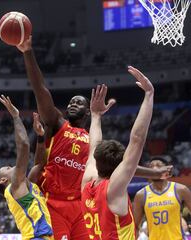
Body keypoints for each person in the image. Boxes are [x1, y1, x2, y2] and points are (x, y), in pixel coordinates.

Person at [17, 37, 172, 240]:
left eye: (79, 103)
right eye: (71, 101)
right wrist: (28, 52)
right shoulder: (56, 123)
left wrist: (152, 172)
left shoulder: (93, 143)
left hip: (82, 202)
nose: (73, 104)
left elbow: (121, 166)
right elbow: (41, 91)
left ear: (88, 112)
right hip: (53, 202)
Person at [81, 66, 170, 239]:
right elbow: (137, 139)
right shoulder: (114, 188)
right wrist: (149, 94)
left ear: (97, 160)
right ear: (119, 166)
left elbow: (94, 146)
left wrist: (96, 115)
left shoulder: (87, 180)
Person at [0, 95, 53, 240]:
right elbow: (24, 145)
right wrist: (15, 116)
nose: (12, 165)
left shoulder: (27, 185)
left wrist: (40, 137)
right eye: (7, 168)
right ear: (3, 180)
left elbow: (39, 164)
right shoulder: (14, 186)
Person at [133, 157, 191, 240]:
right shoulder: (141, 195)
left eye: (159, 165)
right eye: (151, 166)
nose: (154, 168)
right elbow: (134, 226)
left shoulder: (181, 190)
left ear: (167, 170)